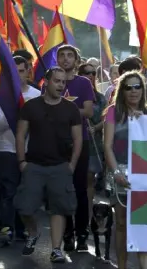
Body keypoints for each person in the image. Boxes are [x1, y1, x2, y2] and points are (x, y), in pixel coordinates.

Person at [14, 67, 82, 263]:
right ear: (46, 82)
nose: (61, 85)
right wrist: (22, 162)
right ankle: (33, 232)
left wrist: (72, 164)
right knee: (24, 207)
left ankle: (56, 249)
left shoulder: (71, 109)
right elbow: (20, 135)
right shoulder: (31, 106)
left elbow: (77, 139)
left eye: (63, 82)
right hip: (34, 165)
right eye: (57, 81)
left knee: (59, 209)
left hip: (60, 166)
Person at [103, 71, 147, 269]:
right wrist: (116, 172)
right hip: (119, 173)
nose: (133, 91)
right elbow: (107, 146)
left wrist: (145, 124)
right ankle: (122, 266)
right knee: (121, 224)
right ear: (122, 91)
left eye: (137, 86)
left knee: (144, 224)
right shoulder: (113, 112)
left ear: (143, 89)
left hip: (145, 176)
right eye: (128, 87)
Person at [0, 56, 40, 245]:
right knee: (9, 190)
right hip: (7, 150)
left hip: (31, 151)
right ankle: (7, 228)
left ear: (28, 72)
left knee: (27, 191)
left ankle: (22, 228)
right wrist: (13, 111)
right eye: (14, 71)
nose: (17, 74)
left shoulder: (37, 95)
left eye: (21, 70)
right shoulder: (2, 97)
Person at [54, 45, 94, 252]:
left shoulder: (84, 83)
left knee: (79, 189)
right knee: (61, 189)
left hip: (80, 141)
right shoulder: (50, 82)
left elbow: (88, 111)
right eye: (62, 55)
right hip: (57, 142)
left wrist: (63, 109)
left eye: (70, 55)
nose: (66, 59)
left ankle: (82, 233)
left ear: (76, 61)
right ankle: (67, 234)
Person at [78, 63, 106, 206]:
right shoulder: (74, 95)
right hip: (75, 142)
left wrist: (96, 127)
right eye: (86, 72)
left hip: (93, 144)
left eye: (93, 73)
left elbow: (107, 119)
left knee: (89, 180)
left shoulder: (100, 98)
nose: (90, 75)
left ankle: (88, 212)